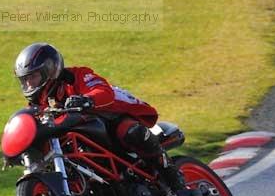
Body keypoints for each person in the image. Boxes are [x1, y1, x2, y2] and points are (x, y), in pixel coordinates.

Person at [13, 42, 163, 163]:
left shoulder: (76, 76)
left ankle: (175, 184)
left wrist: (86, 100)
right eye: (25, 79)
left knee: (130, 131)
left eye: (33, 77)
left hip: (112, 115)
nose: (29, 83)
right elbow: (33, 122)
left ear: (49, 69)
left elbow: (104, 92)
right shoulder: (39, 100)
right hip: (79, 138)